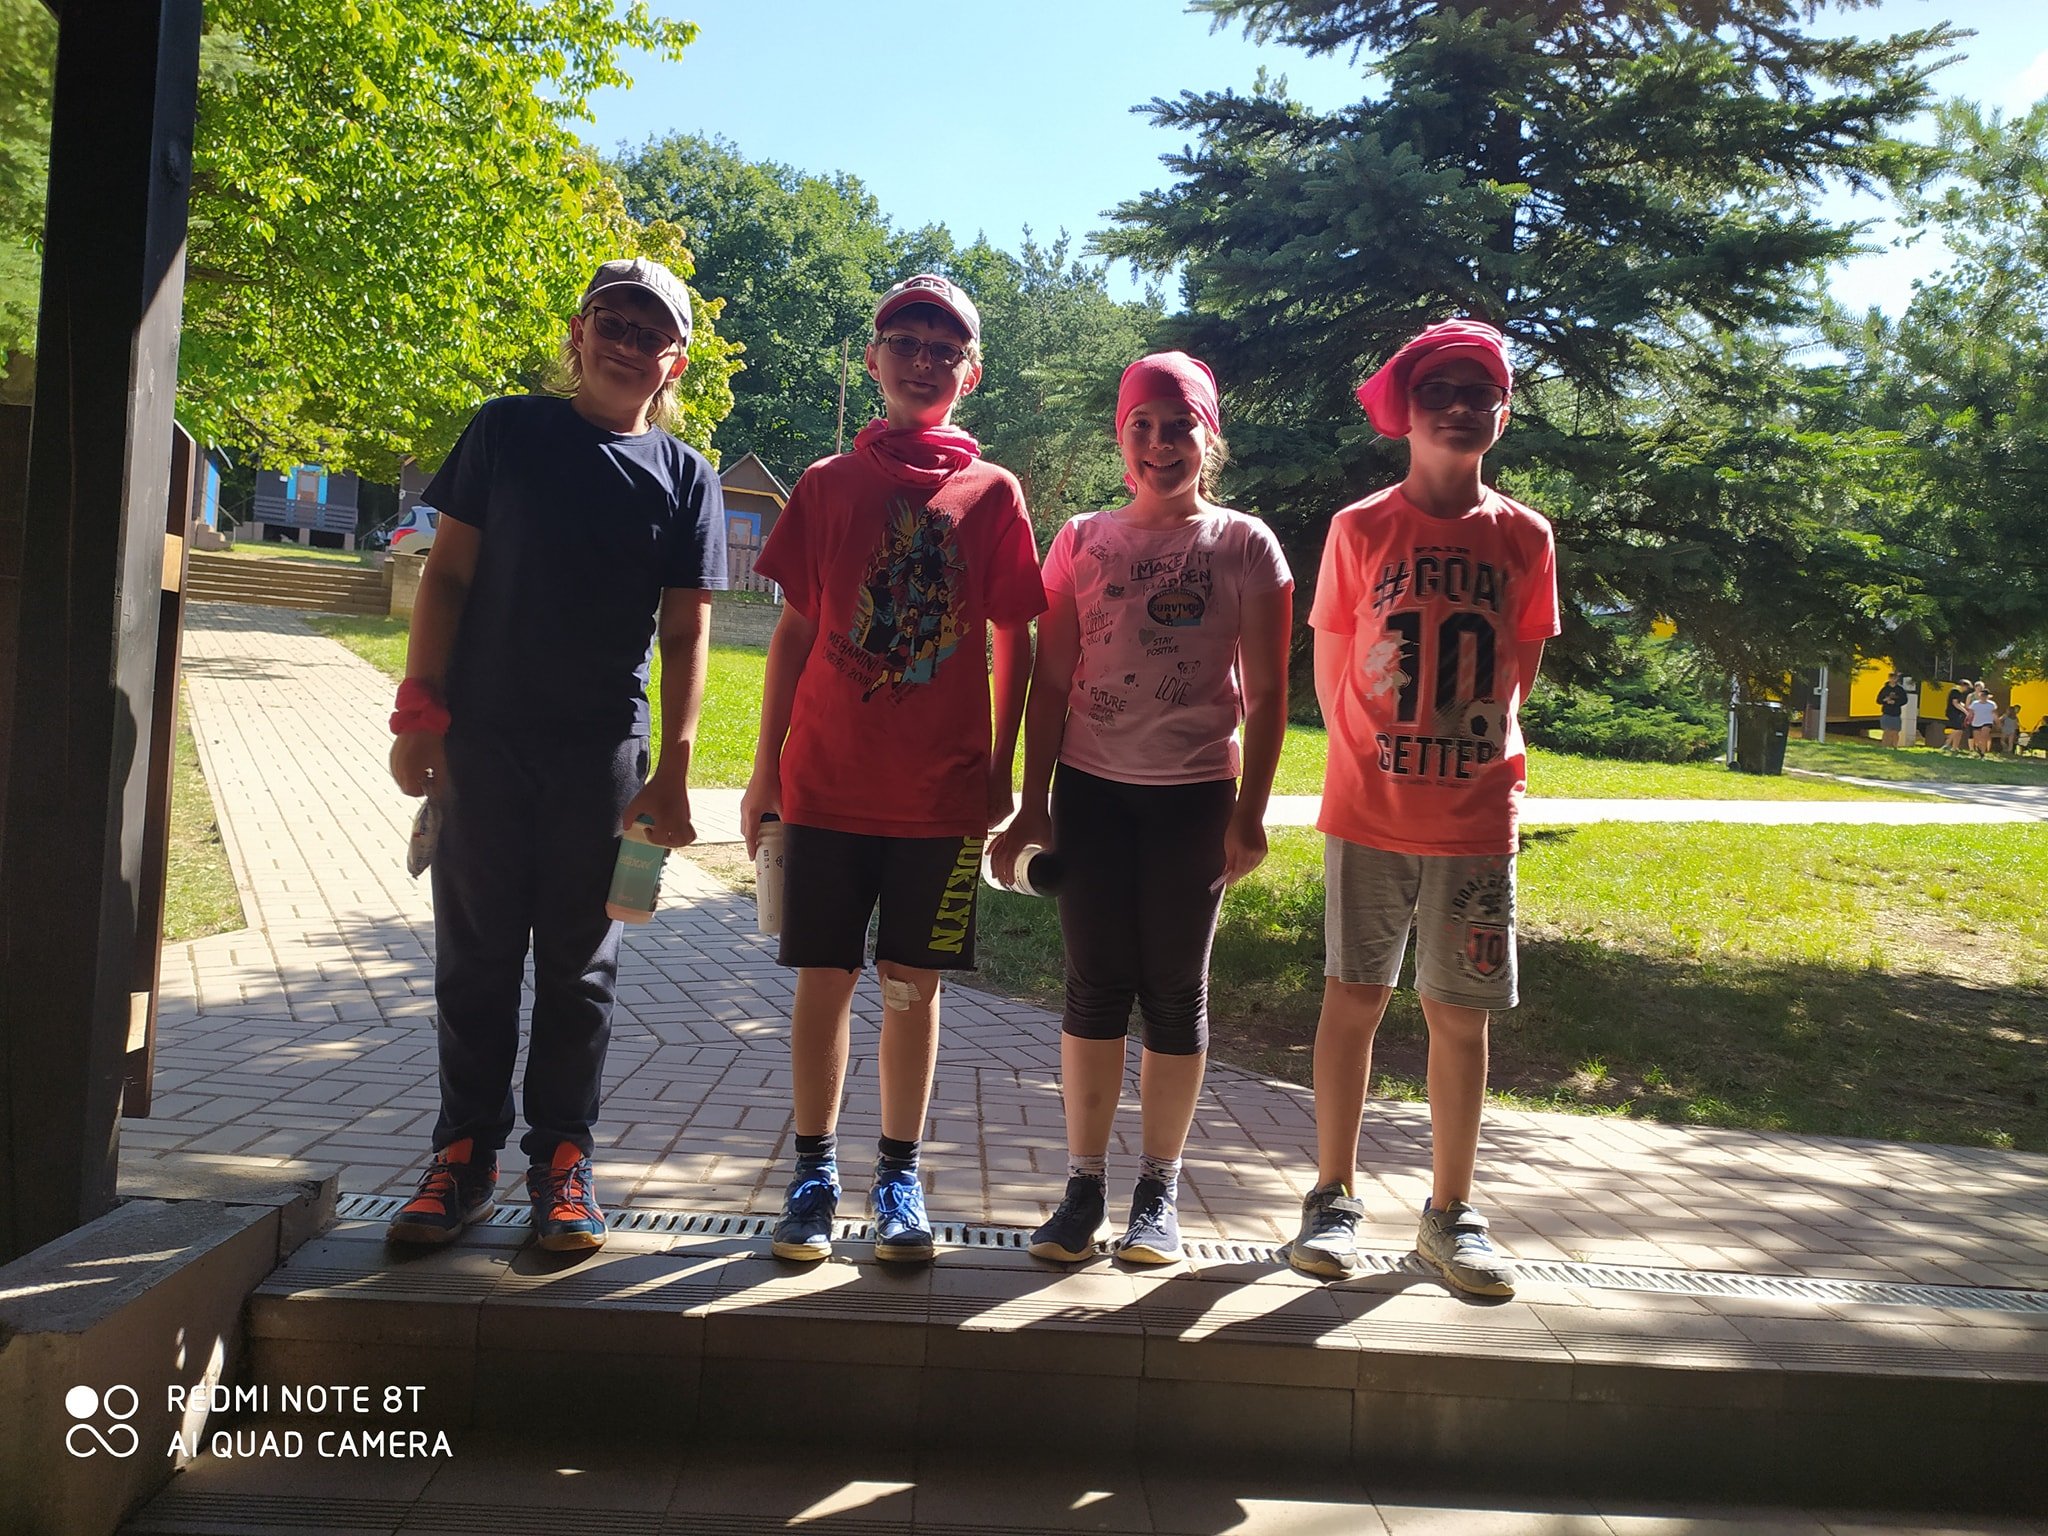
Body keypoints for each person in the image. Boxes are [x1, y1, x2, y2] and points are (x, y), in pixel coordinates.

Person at [385, 257, 726, 1250]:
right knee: (476, 961)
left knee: (581, 972)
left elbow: (686, 631)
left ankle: (564, 1163)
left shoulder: (687, 478)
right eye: (611, 323)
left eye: (650, 334)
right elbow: (447, 578)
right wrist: (419, 713)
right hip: (484, 744)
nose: (627, 345)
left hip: (603, 759)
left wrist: (674, 769)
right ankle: (462, 1158)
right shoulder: (507, 432)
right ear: (579, 333)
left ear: (675, 360)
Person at [742, 275, 1045, 1264]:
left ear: (971, 372)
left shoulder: (992, 494)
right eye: (904, 342)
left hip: (939, 801)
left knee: (914, 986)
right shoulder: (828, 484)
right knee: (823, 979)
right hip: (826, 789)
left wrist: (1000, 770)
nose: (922, 361)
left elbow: (1017, 637)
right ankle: (812, 1173)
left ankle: (900, 1176)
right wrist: (764, 773)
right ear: (873, 358)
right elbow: (794, 634)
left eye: (943, 349)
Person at [988, 353, 1292, 1266]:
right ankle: (1082, 1188)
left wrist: (1250, 812)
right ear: (1122, 439)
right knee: (1093, 987)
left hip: (1194, 801)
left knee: (1174, 992)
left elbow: (1269, 696)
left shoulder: (1245, 545)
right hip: (1091, 794)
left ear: (1209, 437)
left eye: (1179, 425)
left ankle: (1158, 1192)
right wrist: (1032, 805)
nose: (1161, 444)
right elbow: (1050, 681)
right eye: (1142, 427)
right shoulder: (1081, 540)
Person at [1287, 319, 1559, 1297]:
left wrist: (1463, 764)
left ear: (1502, 414)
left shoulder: (1524, 536)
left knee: (1459, 1015)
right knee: (1351, 999)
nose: (1458, 407)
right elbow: (1331, 675)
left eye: (1479, 392)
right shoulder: (1359, 529)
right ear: (1405, 410)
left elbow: (1517, 670)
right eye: (1437, 389)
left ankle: (1450, 1213)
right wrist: (1380, 770)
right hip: (1369, 812)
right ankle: (1331, 1197)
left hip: (1475, 820)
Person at [1876, 672, 1908, 749]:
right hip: (1886, 712)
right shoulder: (1884, 689)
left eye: (1894, 678)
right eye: (1891, 678)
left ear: (1897, 679)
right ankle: (1885, 746)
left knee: (1895, 731)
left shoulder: (1900, 690)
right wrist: (1885, 700)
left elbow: (1904, 700)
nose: (1893, 679)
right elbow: (1878, 700)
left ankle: (1894, 746)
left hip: (1896, 713)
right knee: (1886, 731)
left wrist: (1895, 702)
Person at [1968, 685, 1998, 756]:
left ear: (1987, 696)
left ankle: (1983, 752)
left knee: (1984, 737)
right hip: (1976, 722)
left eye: (1985, 695)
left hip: (1987, 722)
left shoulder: (1992, 704)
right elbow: (1971, 713)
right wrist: (1968, 720)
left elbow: (1994, 714)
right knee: (1977, 739)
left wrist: (1997, 722)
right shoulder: (1975, 703)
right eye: (1982, 695)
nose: (1983, 697)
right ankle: (1979, 748)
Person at [1943, 682, 1968, 753]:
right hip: (1953, 713)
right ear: (1963, 686)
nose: (1966, 689)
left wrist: (1964, 706)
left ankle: (1955, 747)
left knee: (1960, 730)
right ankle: (1947, 744)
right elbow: (1955, 703)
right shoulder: (1956, 691)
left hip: (1957, 713)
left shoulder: (1956, 692)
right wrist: (1965, 711)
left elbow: (1959, 702)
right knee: (1957, 729)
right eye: (1966, 687)